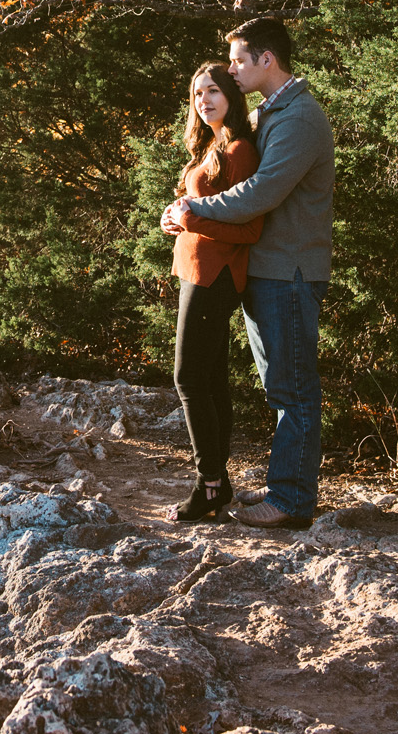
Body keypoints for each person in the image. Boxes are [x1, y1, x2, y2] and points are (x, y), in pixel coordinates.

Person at [162, 16, 334, 530]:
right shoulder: (270, 114)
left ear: (267, 60)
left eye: (238, 60)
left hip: (291, 270)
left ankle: (292, 501)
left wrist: (193, 209)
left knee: (294, 388)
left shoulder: (299, 118)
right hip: (267, 270)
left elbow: (261, 193)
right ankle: (284, 485)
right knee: (278, 384)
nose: (232, 69)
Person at [166, 63, 264, 521]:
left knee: (187, 379)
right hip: (196, 268)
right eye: (197, 93)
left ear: (231, 95)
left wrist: (189, 219)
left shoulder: (241, 149)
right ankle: (218, 483)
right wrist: (172, 218)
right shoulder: (212, 145)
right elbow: (196, 209)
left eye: (213, 91)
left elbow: (249, 227)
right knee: (211, 380)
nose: (204, 100)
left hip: (217, 273)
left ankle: (209, 484)